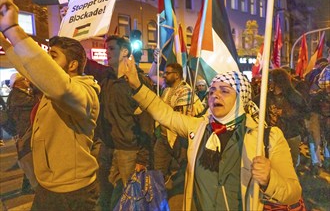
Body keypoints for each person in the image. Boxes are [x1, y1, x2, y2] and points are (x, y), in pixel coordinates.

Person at [123, 58, 302, 210]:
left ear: (241, 98)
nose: (215, 95)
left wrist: (269, 179)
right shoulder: (199, 127)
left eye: (224, 91)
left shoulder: (267, 138)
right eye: (212, 91)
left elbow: (293, 193)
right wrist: (137, 86)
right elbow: (165, 114)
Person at [0, 0, 100, 210]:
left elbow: (60, 87)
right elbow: (30, 68)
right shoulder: (51, 87)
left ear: (72, 65)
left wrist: (13, 29)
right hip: (49, 186)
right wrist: (4, 41)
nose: (48, 62)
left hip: (72, 192)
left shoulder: (85, 92)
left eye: (53, 56)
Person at [96, 35, 154, 210]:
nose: (107, 53)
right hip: (107, 148)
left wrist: (142, 157)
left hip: (129, 151)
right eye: (106, 49)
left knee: (133, 198)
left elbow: (147, 121)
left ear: (125, 51)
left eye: (112, 48)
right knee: (106, 195)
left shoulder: (138, 82)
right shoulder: (105, 80)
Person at [254, 68, 309, 168]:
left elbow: (304, 113)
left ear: (278, 81)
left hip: (290, 136)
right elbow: (253, 107)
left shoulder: (294, 96)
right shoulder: (264, 97)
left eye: (270, 80)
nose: (268, 82)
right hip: (270, 137)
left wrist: (285, 113)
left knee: (289, 166)